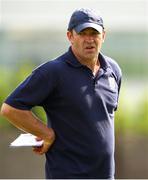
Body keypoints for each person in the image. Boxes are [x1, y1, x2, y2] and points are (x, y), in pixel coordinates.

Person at [0, 8, 122, 179]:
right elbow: (10, 108)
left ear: (103, 36)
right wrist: (46, 134)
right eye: (82, 33)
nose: (89, 40)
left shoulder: (113, 70)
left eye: (94, 33)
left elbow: (102, 120)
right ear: (70, 36)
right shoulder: (53, 72)